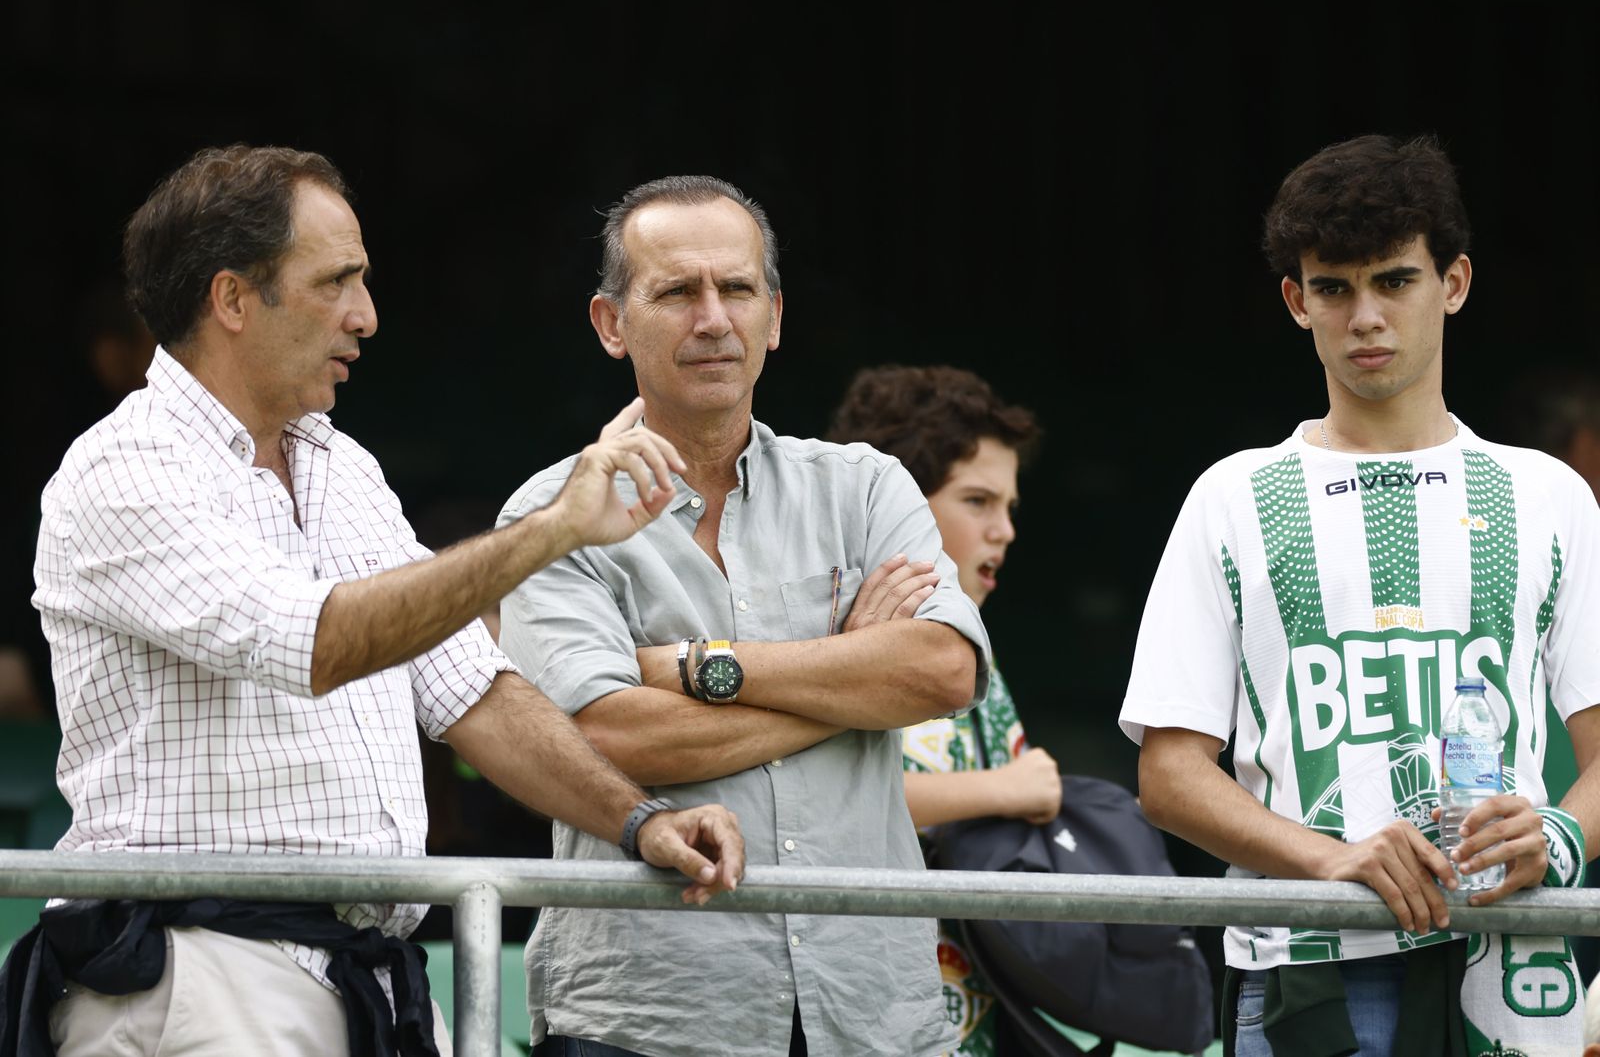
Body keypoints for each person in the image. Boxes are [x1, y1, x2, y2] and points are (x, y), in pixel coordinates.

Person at [14, 145, 744, 1057]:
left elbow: (470, 691)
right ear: (233, 300)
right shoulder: (122, 471)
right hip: (200, 973)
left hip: (363, 978)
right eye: (336, 281)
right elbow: (318, 644)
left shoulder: (341, 464)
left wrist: (643, 821)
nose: (366, 315)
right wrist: (554, 530)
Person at [1119, 134, 1599, 1056]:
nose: (1366, 316)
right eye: (1334, 288)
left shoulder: (1547, 493)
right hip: (1309, 952)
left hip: (1512, 954)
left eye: (1395, 281)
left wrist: (1559, 833)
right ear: (1297, 301)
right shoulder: (1233, 495)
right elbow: (1170, 776)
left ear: (1454, 282)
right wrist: (1332, 858)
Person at [496, 176, 992, 1057]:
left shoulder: (866, 485)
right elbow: (607, 739)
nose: (713, 318)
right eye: (677, 291)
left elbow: (943, 672)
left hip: (871, 1011)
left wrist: (695, 667)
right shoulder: (551, 514)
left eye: (737, 289)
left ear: (775, 315)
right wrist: (848, 672)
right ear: (612, 324)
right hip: (647, 1016)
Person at [825, 363, 1055, 1054]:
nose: (1005, 530)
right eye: (979, 502)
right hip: (850, 1014)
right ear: (898, 504)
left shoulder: (972, 646)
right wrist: (1005, 789)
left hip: (964, 1021)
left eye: (1010, 507)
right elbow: (822, 798)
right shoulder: (816, 626)